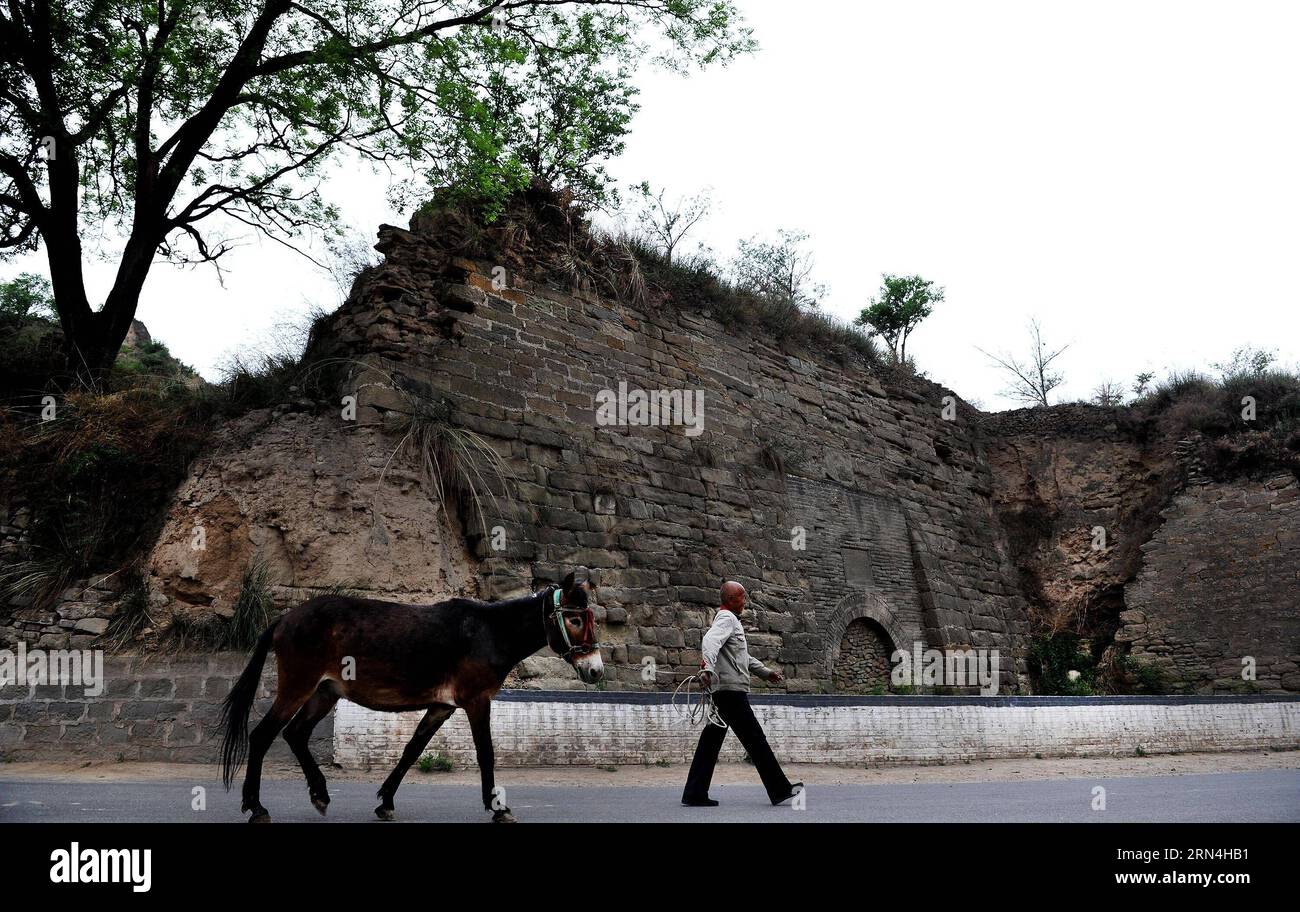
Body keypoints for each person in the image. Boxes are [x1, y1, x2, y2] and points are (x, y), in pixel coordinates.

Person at [681, 581, 803, 807]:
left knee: (710, 744)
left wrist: (765, 673)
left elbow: (742, 659)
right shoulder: (727, 619)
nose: (744, 601)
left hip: (724, 692)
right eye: (741, 597)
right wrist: (707, 668)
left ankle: (694, 792)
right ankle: (779, 789)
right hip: (730, 693)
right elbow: (710, 640)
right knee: (756, 740)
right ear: (730, 600)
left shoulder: (729, 620)